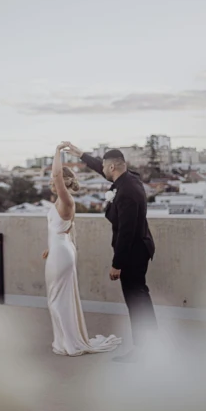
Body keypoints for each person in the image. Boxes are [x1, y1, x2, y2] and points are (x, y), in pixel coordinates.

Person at [62, 142, 157, 362]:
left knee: (136, 300)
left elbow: (126, 232)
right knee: (139, 297)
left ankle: (144, 351)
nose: (103, 171)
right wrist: (80, 154)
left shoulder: (126, 192)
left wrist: (117, 264)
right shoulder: (129, 179)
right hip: (139, 248)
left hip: (134, 252)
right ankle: (151, 346)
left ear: (112, 168)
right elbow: (101, 166)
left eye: (105, 168)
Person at [43, 143, 122, 356]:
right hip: (57, 250)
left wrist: (58, 150)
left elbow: (57, 174)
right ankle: (63, 340)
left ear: (62, 181)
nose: (51, 181)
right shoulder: (59, 201)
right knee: (55, 298)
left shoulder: (66, 200)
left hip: (62, 253)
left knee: (58, 300)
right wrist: (50, 248)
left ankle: (70, 342)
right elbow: (61, 229)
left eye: (53, 179)